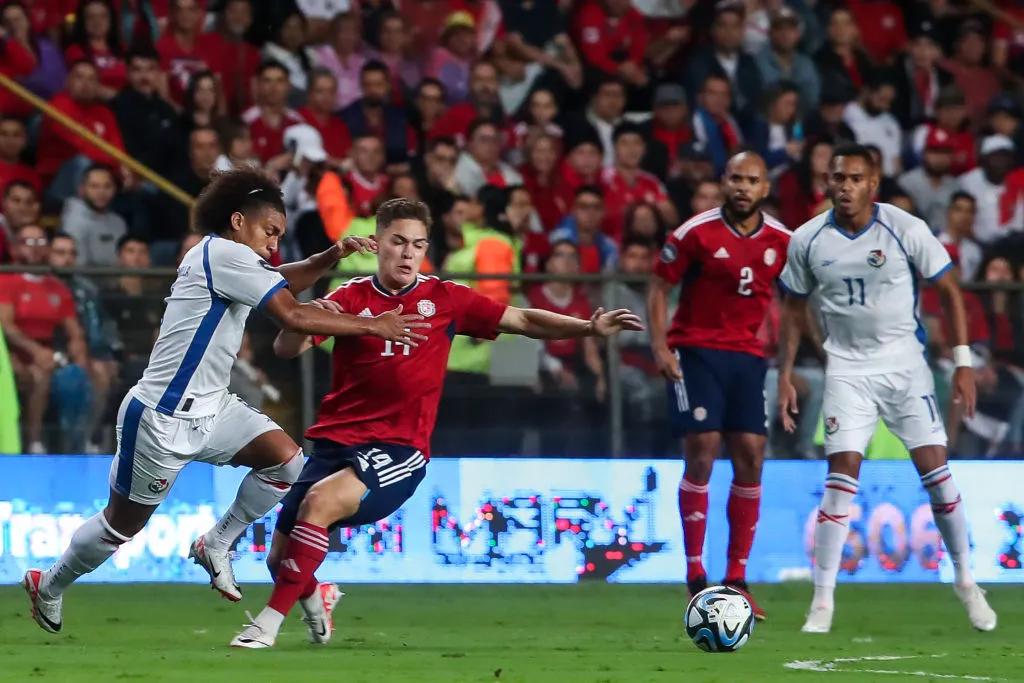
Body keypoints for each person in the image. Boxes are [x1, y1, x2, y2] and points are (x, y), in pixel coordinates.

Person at [21, 170, 432, 634]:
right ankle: (50, 583)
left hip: (213, 407)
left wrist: (332, 255)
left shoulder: (235, 259)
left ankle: (217, 542)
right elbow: (292, 315)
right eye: (270, 231)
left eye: (279, 234)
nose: (275, 242)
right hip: (162, 416)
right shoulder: (223, 253)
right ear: (238, 221)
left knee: (288, 463)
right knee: (122, 525)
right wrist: (375, 325)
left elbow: (278, 279)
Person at [228, 197, 643, 648]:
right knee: (279, 559)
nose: (408, 253)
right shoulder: (350, 298)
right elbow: (289, 349)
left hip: (397, 448)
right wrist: (306, 318)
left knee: (320, 503)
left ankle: (265, 625)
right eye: (398, 242)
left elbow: (521, 319)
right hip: (335, 442)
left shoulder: (444, 299)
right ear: (378, 244)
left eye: (418, 245)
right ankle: (318, 602)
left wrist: (586, 328)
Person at [776, 143, 997, 634]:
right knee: (841, 476)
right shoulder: (808, 239)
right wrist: (787, 371)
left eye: (855, 178)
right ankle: (823, 603)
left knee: (936, 474)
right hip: (847, 368)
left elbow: (950, 290)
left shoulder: (904, 228)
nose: (845, 187)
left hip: (904, 365)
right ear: (827, 183)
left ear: (873, 183)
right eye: (838, 178)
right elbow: (792, 307)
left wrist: (961, 363)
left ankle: (965, 579)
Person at [646, 151, 790, 620]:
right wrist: (662, 347)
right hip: (696, 352)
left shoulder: (784, 240)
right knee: (703, 447)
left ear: (764, 188)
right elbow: (657, 286)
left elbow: (799, 301)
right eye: (735, 179)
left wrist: (786, 367)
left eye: (752, 180)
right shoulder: (695, 233)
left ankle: (737, 578)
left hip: (749, 358)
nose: (743, 187)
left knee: (751, 453)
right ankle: (694, 574)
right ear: (723, 183)